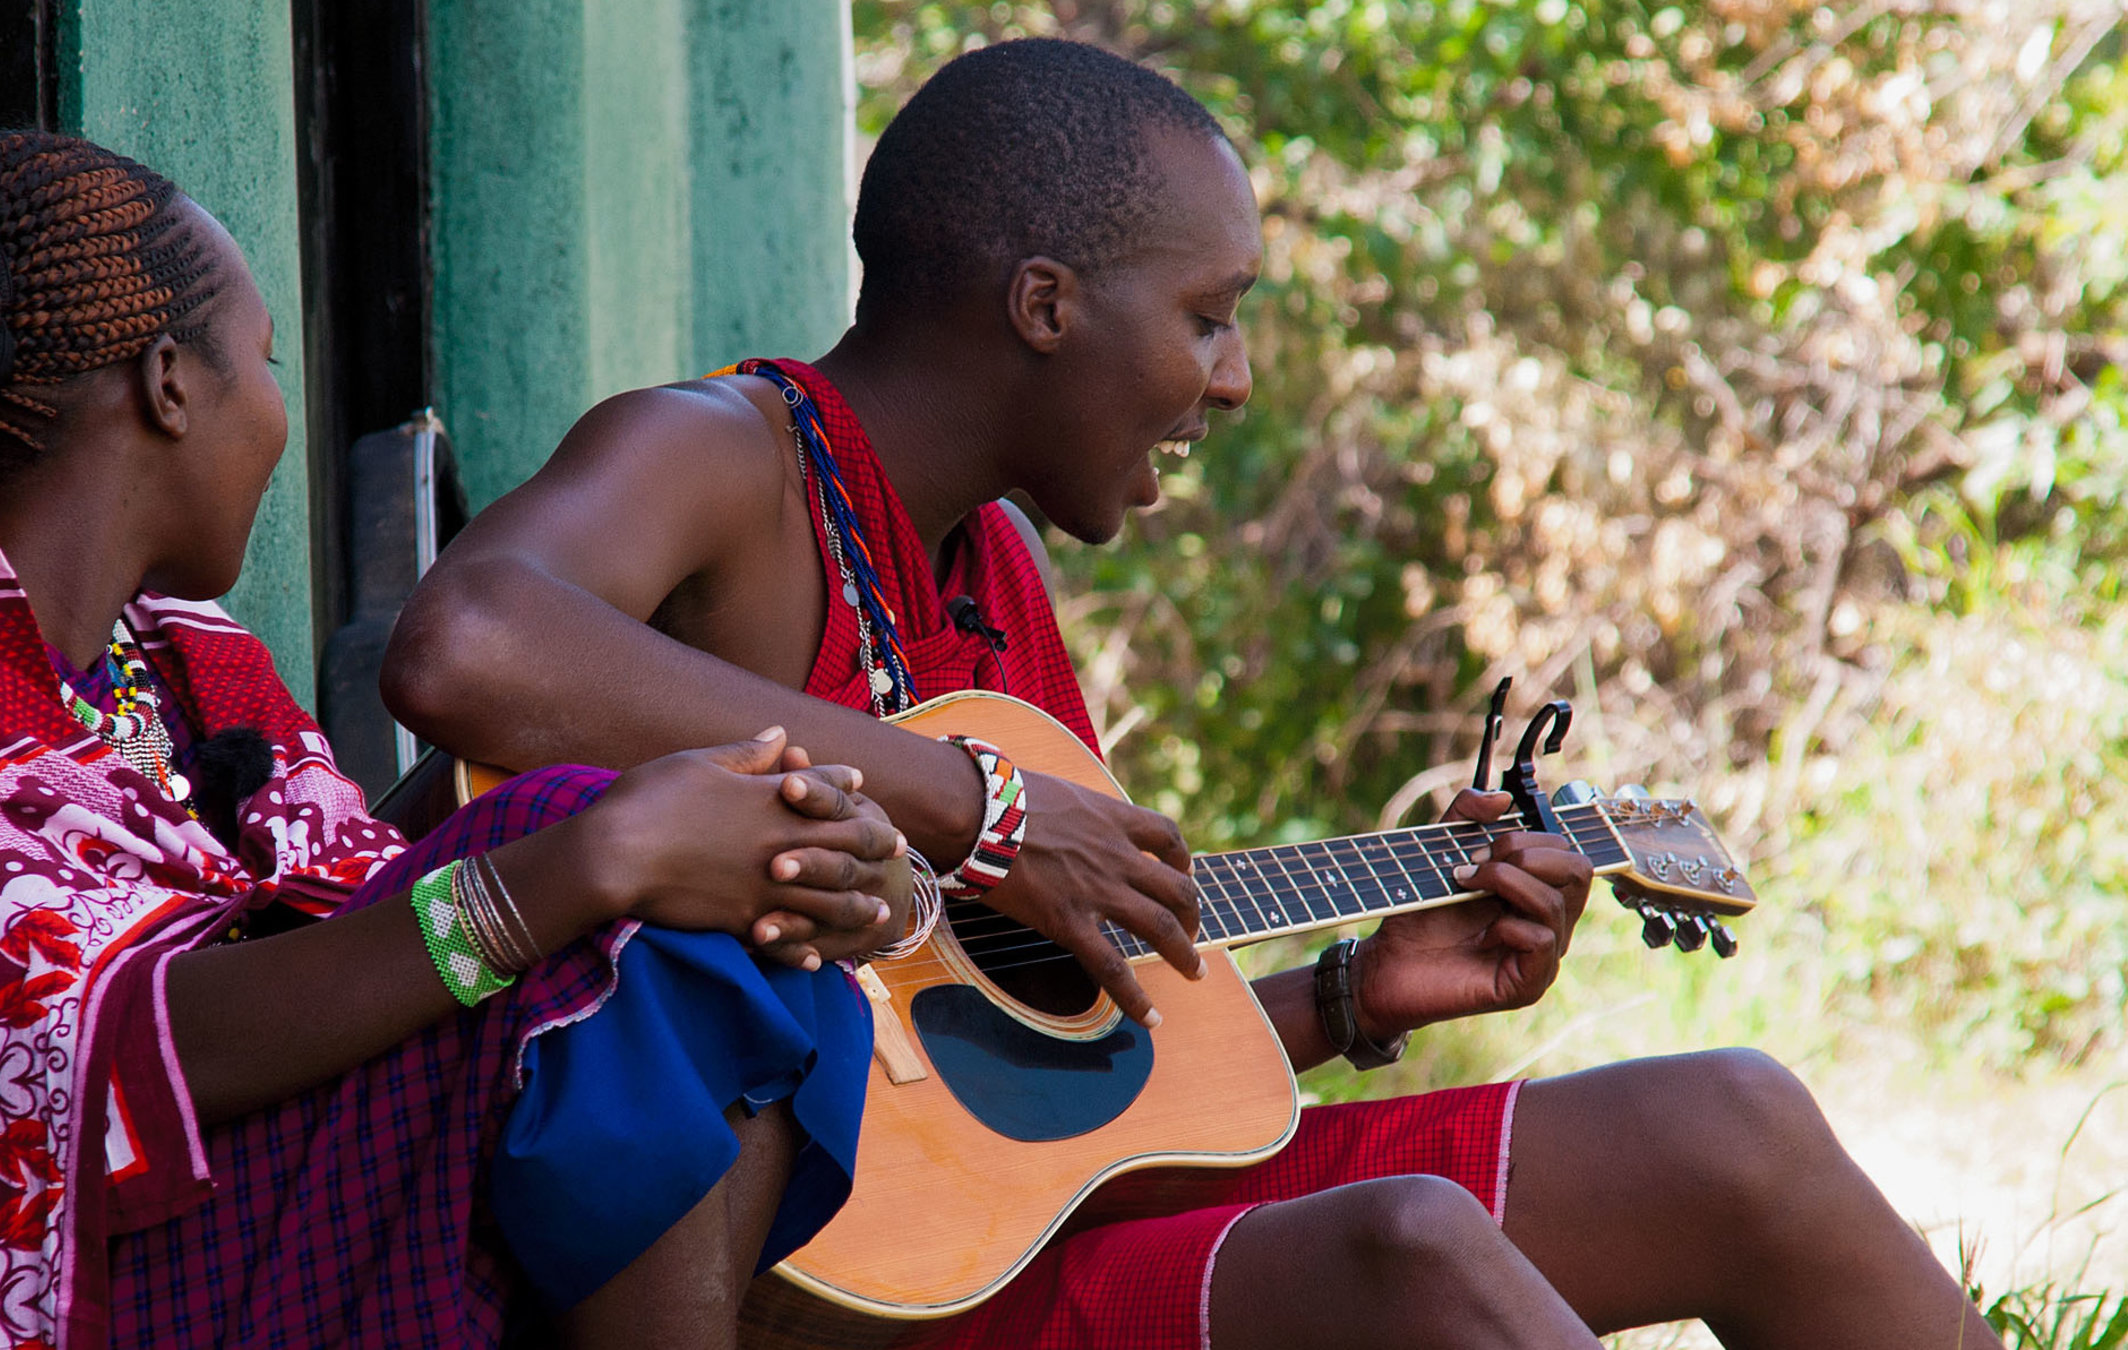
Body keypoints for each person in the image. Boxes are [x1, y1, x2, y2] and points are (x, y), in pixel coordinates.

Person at [383, 38, 2001, 1350]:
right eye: (1210, 318)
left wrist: (1352, 1000)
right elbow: (468, 648)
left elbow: (1029, 1087)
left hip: (1003, 1240)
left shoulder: (993, 583)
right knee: (1412, 1255)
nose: (1232, 379)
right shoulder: (727, 458)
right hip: (829, 1286)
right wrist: (980, 806)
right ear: (1043, 307)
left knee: (1733, 1126)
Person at [0, 130, 909, 1350]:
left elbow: (332, 914)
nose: (279, 416)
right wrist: (590, 857)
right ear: (170, 383)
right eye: (266, 363)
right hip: (67, 1294)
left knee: (732, 900)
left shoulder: (179, 657)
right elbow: (103, 1057)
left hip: (234, 1231)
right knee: (588, 861)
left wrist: (747, 841)